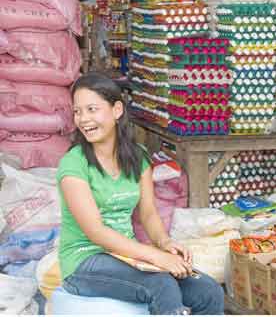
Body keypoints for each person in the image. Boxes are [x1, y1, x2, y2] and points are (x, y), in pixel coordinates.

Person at [57, 72, 224, 315]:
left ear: (116, 110)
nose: (83, 119)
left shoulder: (138, 157)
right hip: (85, 259)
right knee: (161, 284)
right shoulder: (73, 164)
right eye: (77, 111)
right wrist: (156, 257)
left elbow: (148, 214)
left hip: (125, 256)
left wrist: (165, 243)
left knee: (208, 291)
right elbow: (96, 231)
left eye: (92, 109)